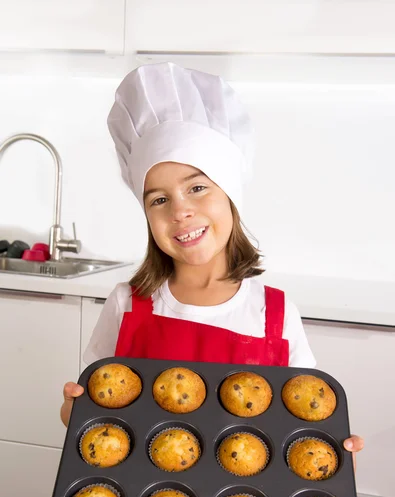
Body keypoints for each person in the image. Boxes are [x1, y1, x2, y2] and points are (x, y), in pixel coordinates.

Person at [60, 62, 363, 466]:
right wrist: (71, 406)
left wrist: (339, 451)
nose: (181, 211)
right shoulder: (127, 304)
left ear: (230, 196)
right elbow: (81, 416)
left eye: (198, 188)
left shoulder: (273, 312)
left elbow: (308, 423)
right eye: (159, 200)